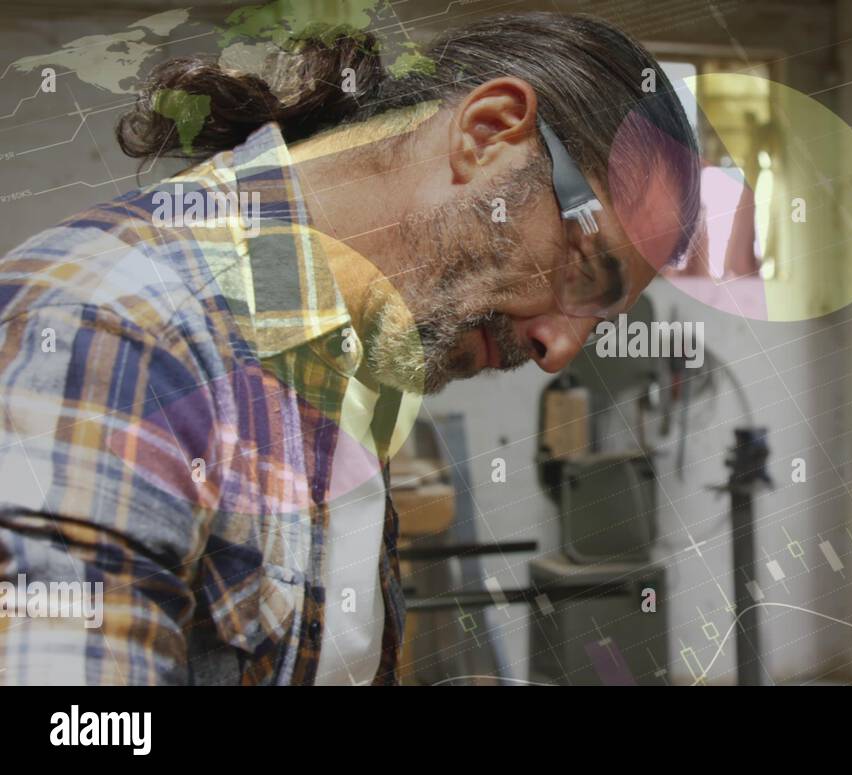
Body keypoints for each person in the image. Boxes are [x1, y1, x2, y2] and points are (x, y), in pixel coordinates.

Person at [0, 12, 700, 685]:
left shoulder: (343, 358)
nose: (559, 349)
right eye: (586, 269)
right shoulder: (120, 327)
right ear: (488, 134)